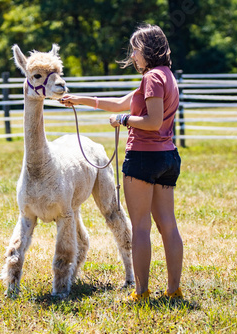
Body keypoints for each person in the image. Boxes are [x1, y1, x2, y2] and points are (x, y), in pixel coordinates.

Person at [60, 24, 184, 302]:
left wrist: (123, 121)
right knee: (168, 225)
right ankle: (173, 289)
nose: (133, 55)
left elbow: (150, 122)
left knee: (140, 226)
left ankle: (141, 293)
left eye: (136, 49)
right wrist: (80, 100)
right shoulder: (166, 76)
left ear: (148, 50)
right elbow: (119, 103)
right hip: (167, 157)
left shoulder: (151, 78)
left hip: (143, 157)